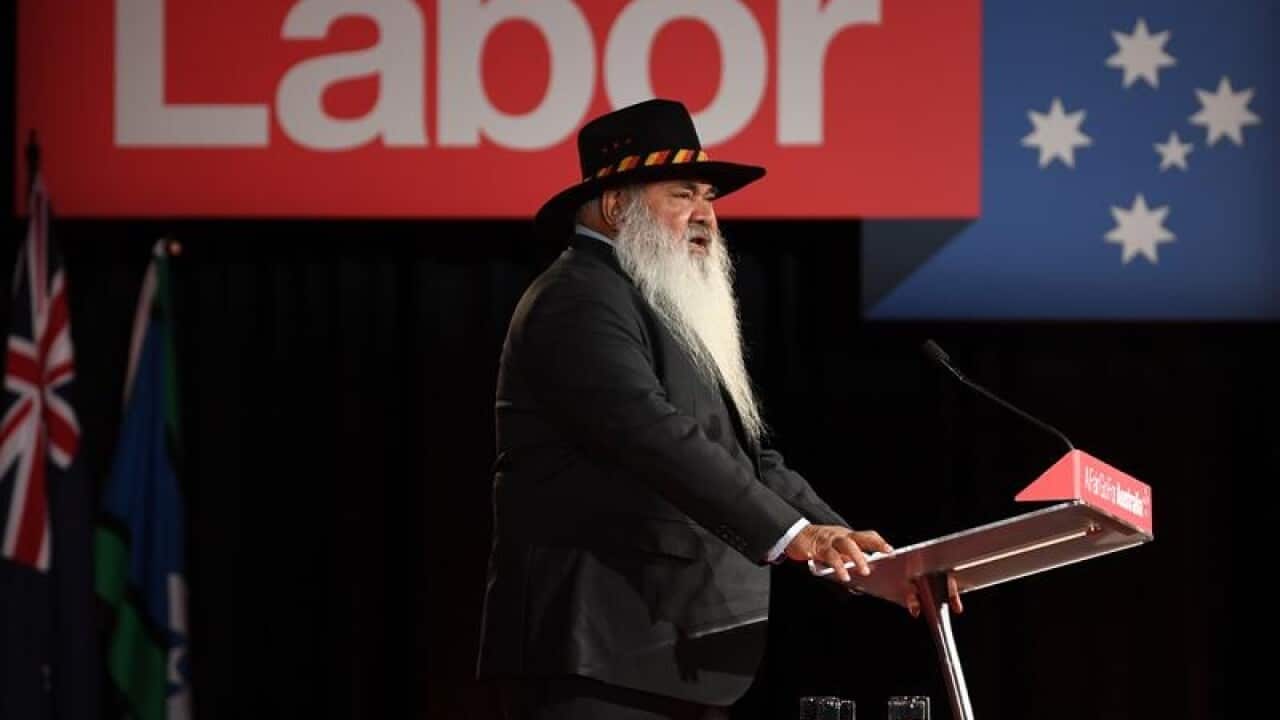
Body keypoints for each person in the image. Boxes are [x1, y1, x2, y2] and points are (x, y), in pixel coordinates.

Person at [477, 98, 958, 720]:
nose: (706, 215)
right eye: (682, 195)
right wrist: (797, 537)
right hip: (594, 651)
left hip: (670, 649)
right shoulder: (577, 298)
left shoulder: (657, 304)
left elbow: (749, 459)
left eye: (708, 197)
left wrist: (864, 559)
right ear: (617, 204)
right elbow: (651, 433)